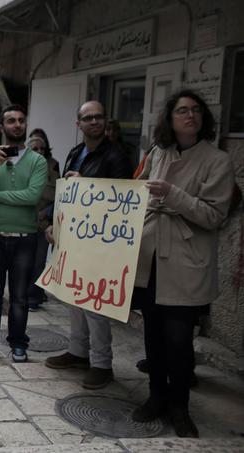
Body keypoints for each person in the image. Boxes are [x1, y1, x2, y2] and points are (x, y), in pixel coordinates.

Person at [130, 90, 234, 437]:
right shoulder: (158, 152)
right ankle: (156, 397)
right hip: (150, 259)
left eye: (195, 110)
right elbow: (136, 194)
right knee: (152, 336)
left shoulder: (218, 160)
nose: (190, 115)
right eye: (182, 110)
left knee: (178, 340)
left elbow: (214, 215)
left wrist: (172, 195)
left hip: (186, 261)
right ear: (170, 119)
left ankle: (180, 407)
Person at [43, 101, 132, 390]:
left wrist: (87, 182)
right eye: (87, 117)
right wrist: (54, 224)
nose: (94, 121)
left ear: (105, 122)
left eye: (99, 117)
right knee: (73, 297)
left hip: (100, 241)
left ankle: (102, 364)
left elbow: (121, 199)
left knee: (95, 303)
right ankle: (79, 352)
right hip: (73, 237)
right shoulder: (74, 152)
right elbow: (66, 195)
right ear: (78, 123)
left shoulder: (117, 155)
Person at [0, 105, 47, 363]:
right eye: (11, 121)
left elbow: (32, 197)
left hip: (25, 238)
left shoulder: (37, 161)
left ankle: (18, 344)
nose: (17, 125)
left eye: (21, 120)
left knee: (20, 297)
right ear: (2, 128)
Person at [26, 134, 58, 312]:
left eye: (42, 149)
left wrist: (46, 212)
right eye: (34, 149)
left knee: (39, 261)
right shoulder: (22, 166)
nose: (39, 152)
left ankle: (34, 297)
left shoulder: (53, 165)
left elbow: (61, 193)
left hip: (45, 222)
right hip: (25, 221)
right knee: (25, 261)